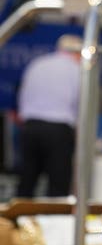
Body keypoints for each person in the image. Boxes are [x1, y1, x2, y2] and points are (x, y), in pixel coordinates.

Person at [16, 33, 82, 197]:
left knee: (26, 181)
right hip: (58, 130)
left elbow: (22, 96)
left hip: (30, 128)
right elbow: (82, 106)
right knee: (58, 186)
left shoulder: (37, 64)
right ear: (78, 53)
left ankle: (15, 221)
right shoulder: (78, 70)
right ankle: (54, 222)